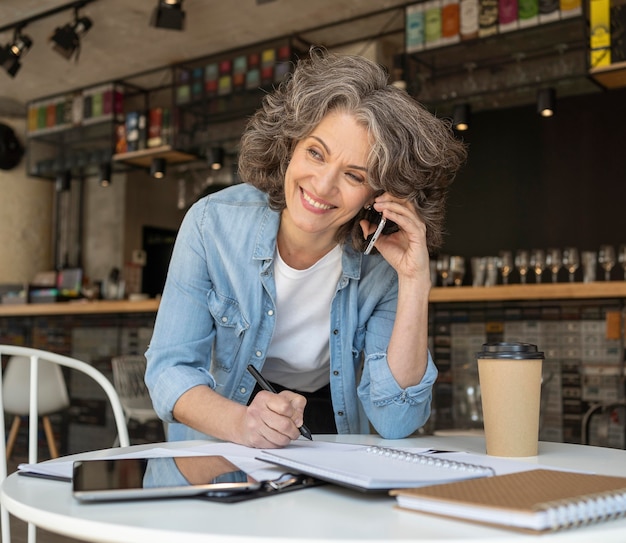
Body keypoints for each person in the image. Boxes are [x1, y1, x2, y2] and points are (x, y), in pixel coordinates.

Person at [145, 48, 467, 449]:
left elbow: (396, 419)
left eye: (353, 175)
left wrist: (415, 279)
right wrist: (242, 423)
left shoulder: (381, 263)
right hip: (220, 424)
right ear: (291, 144)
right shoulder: (213, 223)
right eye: (316, 152)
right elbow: (169, 372)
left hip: (330, 423)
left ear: (377, 195)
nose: (322, 185)